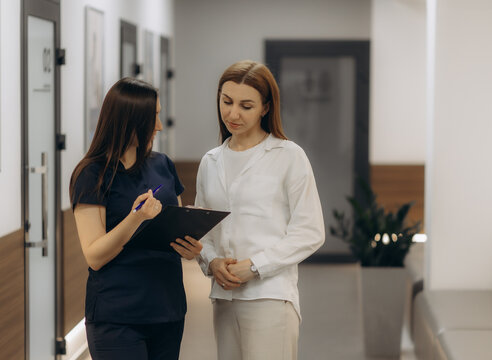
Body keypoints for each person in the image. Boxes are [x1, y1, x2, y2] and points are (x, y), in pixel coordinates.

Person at [195, 60, 325, 360]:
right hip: (223, 297)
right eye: (226, 102)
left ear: (266, 108)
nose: (233, 113)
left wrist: (255, 265)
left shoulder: (288, 156)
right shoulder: (210, 161)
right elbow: (204, 229)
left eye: (246, 105)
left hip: (271, 295)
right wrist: (213, 262)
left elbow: (310, 231)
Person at [69, 78, 202, 360]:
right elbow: (95, 256)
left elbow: (172, 230)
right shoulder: (92, 174)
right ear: (130, 121)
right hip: (117, 316)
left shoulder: (162, 164)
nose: (159, 126)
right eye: (153, 117)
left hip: (168, 309)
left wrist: (190, 247)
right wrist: (134, 218)